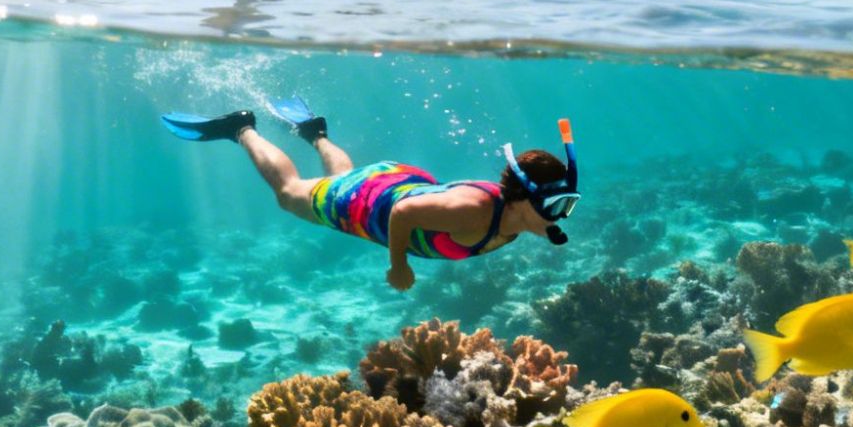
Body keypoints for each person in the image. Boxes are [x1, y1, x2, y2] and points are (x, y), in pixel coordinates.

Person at [161, 98, 579, 292]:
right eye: (556, 206)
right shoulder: (471, 213)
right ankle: (240, 127)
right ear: (524, 200)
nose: (560, 216)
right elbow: (403, 212)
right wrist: (398, 267)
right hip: (381, 203)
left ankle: (314, 133)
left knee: (344, 176)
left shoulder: (518, 217)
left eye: (567, 205)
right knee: (290, 195)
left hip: (396, 179)